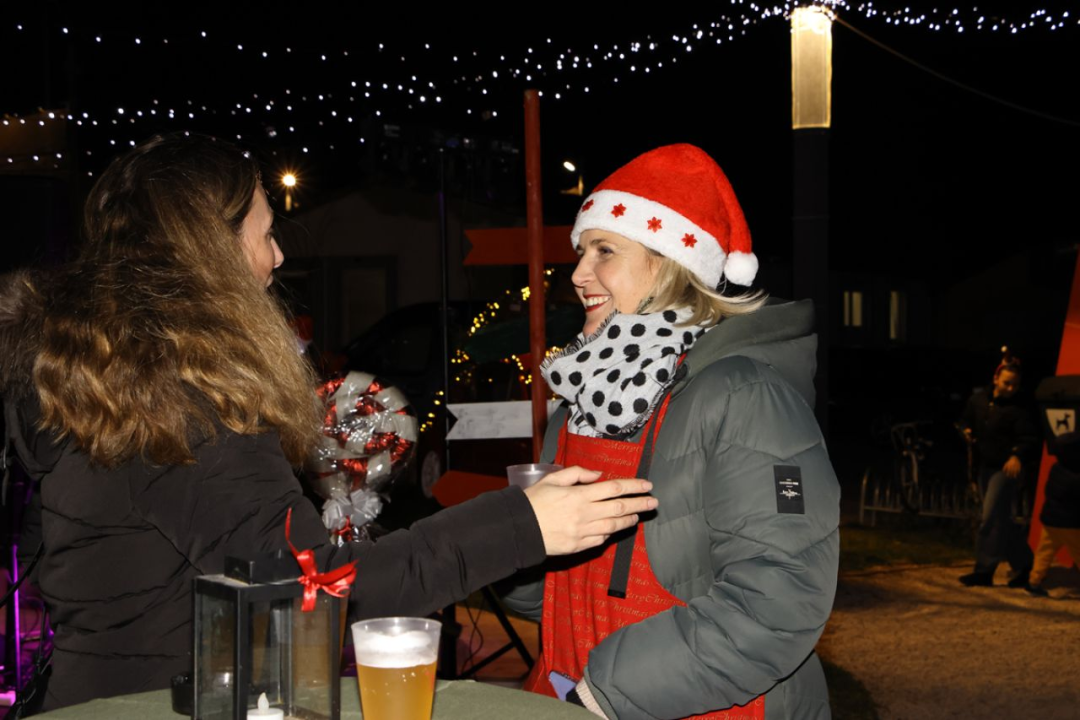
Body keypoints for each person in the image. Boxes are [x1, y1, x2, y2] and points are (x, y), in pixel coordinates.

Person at [0, 133, 657, 711]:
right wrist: (523, 523)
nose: (278, 258)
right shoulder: (181, 402)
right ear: (213, 252)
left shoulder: (109, 382)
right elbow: (316, 593)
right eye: (264, 234)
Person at [505, 144, 840, 720]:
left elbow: (780, 597)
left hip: (702, 704)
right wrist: (512, 546)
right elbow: (554, 590)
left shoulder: (743, 395)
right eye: (582, 253)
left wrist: (607, 694)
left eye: (603, 251)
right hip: (567, 687)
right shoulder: (577, 403)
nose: (579, 273)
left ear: (669, 261)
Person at [958, 349, 1039, 587]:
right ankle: (1024, 565)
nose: (1011, 389)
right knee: (1000, 518)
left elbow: (1029, 438)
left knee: (989, 517)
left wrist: (1017, 456)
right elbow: (964, 420)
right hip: (986, 465)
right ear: (996, 379)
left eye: (1015, 384)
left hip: (1006, 469)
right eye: (1007, 383)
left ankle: (984, 570)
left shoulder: (1020, 409)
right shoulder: (979, 401)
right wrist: (966, 431)